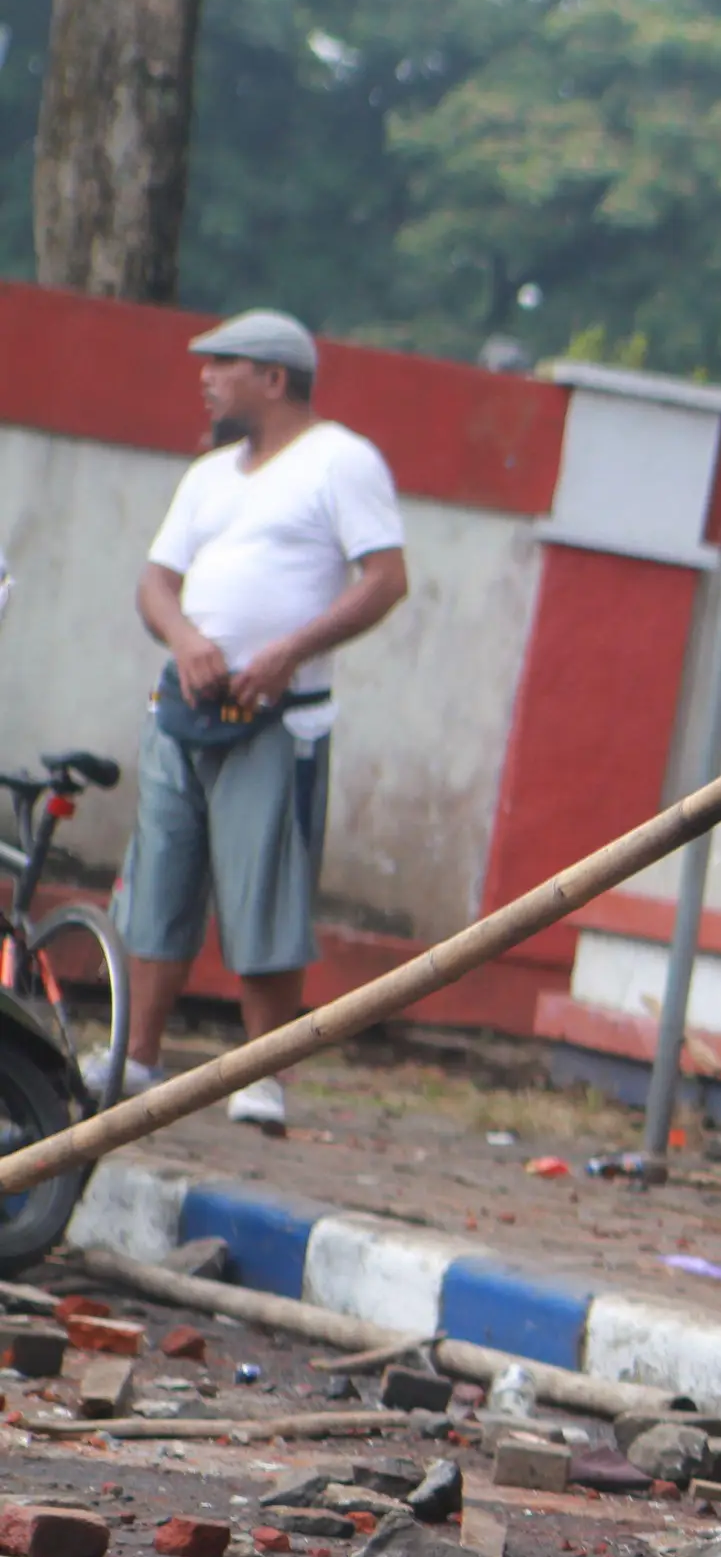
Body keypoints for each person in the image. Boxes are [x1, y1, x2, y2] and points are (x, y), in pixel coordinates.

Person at [105, 310, 408, 1131]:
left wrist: (287, 653)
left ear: (274, 379)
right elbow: (155, 583)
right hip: (184, 704)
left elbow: (383, 579)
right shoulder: (209, 475)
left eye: (223, 365)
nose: (205, 379)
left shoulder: (339, 462)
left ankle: (261, 1075)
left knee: (264, 889)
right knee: (160, 875)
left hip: (279, 717)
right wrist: (188, 640)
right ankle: (137, 1057)